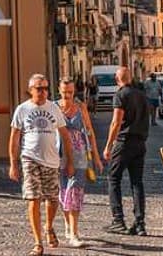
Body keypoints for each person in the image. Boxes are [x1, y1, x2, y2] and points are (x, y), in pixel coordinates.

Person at [9, 73, 73, 256]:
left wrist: (69, 161)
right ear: (31, 90)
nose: (43, 92)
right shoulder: (22, 109)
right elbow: (14, 138)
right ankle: (38, 242)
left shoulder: (54, 108)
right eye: (39, 88)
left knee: (52, 200)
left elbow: (65, 136)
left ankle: (49, 227)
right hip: (29, 158)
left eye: (46, 88)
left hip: (52, 161)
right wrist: (13, 164)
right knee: (33, 198)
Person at [100, 66, 150, 236]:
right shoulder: (141, 95)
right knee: (137, 182)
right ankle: (140, 223)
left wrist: (108, 145)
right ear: (130, 78)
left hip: (124, 142)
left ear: (117, 80)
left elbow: (116, 122)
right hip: (140, 143)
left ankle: (118, 220)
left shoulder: (120, 95)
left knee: (114, 178)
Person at [57, 77, 99, 248]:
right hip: (59, 155)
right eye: (65, 92)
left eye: (71, 92)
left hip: (79, 154)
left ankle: (74, 234)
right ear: (59, 90)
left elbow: (89, 132)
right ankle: (68, 224)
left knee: (74, 191)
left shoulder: (81, 107)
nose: (67, 95)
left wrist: (95, 155)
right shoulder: (54, 107)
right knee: (63, 192)